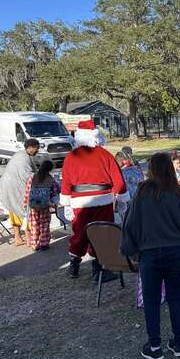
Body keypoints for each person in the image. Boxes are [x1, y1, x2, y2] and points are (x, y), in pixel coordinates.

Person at [121, 153, 180, 359]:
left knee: (151, 300)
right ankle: (179, 343)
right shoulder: (178, 193)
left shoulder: (141, 193)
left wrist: (132, 251)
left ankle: (154, 345)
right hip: (175, 253)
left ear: (151, 169)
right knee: (176, 298)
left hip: (150, 255)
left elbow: (130, 225)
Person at [60, 120, 129, 281]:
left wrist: (66, 200)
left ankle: (74, 266)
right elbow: (117, 179)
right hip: (102, 199)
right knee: (102, 233)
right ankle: (99, 269)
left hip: (79, 201)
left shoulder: (71, 157)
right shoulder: (105, 154)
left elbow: (66, 181)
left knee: (80, 233)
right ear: (95, 136)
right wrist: (121, 196)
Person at [0, 138, 40, 246]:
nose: (37, 150)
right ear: (30, 148)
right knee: (25, 211)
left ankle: (18, 238)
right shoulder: (23, 158)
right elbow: (27, 176)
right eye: (36, 148)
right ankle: (29, 239)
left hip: (9, 187)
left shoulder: (22, 155)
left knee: (15, 211)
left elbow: (32, 170)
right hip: (13, 188)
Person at [23, 159, 59, 251]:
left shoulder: (33, 176)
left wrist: (26, 202)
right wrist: (54, 204)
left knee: (35, 224)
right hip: (45, 205)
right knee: (45, 224)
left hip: (33, 205)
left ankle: (35, 244)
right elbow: (54, 192)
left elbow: (27, 190)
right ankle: (44, 244)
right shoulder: (50, 178)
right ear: (50, 169)